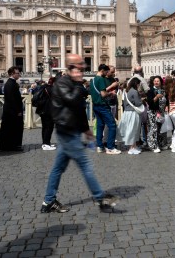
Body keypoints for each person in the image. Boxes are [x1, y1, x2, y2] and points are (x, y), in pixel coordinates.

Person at [41, 59, 118, 213]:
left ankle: (48, 201)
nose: (81, 73)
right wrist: (79, 86)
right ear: (71, 69)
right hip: (67, 132)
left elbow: (78, 109)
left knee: (58, 168)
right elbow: (72, 100)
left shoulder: (72, 84)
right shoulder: (63, 83)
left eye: (82, 70)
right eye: (79, 70)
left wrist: (86, 129)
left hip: (70, 130)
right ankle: (99, 197)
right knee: (85, 166)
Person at [90, 64, 120, 154]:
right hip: (103, 105)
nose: (107, 73)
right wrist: (111, 93)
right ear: (103, 70)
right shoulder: (101, 79)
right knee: (112, 125)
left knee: (100, 125)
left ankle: (99, 146)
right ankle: (110, 147)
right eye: (107, 72)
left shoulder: (93, 80)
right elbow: (103, 94)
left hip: (95, 105)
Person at [0, 66, 24, 151]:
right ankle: (13, 145)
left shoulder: (12, 83)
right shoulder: (10, 84)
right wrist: (18, 111)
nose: (19, 74)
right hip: (12, 112)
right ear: (12, 74)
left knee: (10, 129)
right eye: (17, 73)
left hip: (11, 111)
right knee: (14, 129)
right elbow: (12, 99)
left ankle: (9, 145)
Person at [120, 77, 143, 155]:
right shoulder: (134, 92)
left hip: (127, 112)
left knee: (131, 129)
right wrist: (142, 100)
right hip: (133, 113)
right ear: (136, 84)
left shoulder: (128, 91)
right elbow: (137, 103)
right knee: (133, 130)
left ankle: (134, 146)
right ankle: (131, 148)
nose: (139, 86)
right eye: (139, 84)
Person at [146, 76, 167, 153]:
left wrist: (166, 107)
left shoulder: (163, 91)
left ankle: (160, 143)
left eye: (158, 81)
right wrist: (156, 97)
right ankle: (153, 145)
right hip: (153, 112)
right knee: (153, 128)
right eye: (155, 81)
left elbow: (166, 101)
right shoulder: (150, 91)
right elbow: (150, 102)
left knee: (160, 129)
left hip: (161, 112)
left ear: (161, 82)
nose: (156, 82)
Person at [36, 77, 56, 150]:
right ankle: (46, 144)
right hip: (48, 110)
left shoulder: (45, 87)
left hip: (42, 110)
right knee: (49, 127)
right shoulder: (52, 89)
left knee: (45, 127)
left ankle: (45, 143)